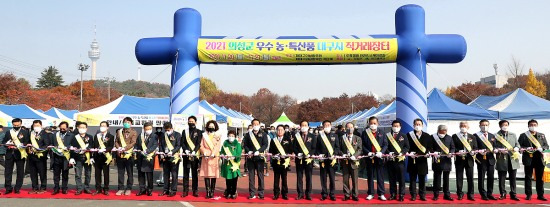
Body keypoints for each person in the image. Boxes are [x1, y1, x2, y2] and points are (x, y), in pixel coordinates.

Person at [518, 119, 549, 201]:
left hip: (539, 159)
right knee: (528, 177)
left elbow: (546, 146)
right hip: (528, 158)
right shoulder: (523, 135)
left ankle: (540, 195)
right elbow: (518, 147)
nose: (533, 126)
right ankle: (528, 194)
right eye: (531, 125)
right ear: (528, 126)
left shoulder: (541, 135)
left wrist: (542, 148)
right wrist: (525, 148)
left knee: (539, 178)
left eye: (535, 125)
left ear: (537, 125)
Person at [362, 116, 388, 201]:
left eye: (374, 123)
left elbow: (385, 144)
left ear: (378, 123)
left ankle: (381, 194)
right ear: (368, 123)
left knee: (380, 176)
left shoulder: (382, 132)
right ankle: (370, 193)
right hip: (369, 157)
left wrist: (381, 152)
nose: (373, 125)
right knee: (370, 176)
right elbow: (362, 145)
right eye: (371, 123)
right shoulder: (365, 133)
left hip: (379, 157)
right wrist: (368, 152)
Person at [406, 118, 432, 201]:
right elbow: (406, 147)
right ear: (413, 125)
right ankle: (413, 195)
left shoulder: (427, 136)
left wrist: (428, 153)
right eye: (416, 124)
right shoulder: (409, 135)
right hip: (412, 160)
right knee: (412, 179)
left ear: (422, 125)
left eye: (419, 124)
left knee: (422, 179)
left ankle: (422, 195)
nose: (417, 126)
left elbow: (430, 148)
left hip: (423, 161)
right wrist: (410, 153)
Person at [242, 119, 269, 199]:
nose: (255, 125)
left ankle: (261, 193)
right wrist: (248, 151)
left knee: (260, 176)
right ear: (252, 125)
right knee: (251, 176)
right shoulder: (248, 135)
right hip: (250, 158)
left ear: (259, 124)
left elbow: (265, 144)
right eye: (254, 124)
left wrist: (259, 151)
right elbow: (245, 144)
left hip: (259, 158)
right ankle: (252, 193)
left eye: (257, 124)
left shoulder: (263, 134)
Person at [494, 120, 520, 201]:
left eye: (506, 125)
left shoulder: (513, 135)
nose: (505, 126)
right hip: (502, 158)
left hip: (512, 159)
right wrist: (498, 150)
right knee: (502, 178)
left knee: (513, 178)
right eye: (503, 125)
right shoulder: (496, 135)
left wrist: (517, 148)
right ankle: (502, 193)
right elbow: (493, 147)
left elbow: (517, 144)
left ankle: (513, 194)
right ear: (500, 126)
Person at [452, 121, 478, 201]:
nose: (463, 127)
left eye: (465, 126)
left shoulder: (472, 136)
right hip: (459, 159)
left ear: (468, 127)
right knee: (459, 177)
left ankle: (470, 194)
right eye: (462, 126)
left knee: (470, 178)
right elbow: (453, 147)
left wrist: (474, 151)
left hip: (469, 160)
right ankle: (459, 193)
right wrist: (458, 151)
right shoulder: (455, 136)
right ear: (459, 127)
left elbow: (475, 147)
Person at [2, 118, 29, 195]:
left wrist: (21, 145)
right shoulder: (8, 132)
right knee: (8, 172)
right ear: (12, 124)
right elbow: (4, 142)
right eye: (14, 125)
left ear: (20, 124)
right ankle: (8, 187)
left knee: (20, 172)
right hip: (10, 154)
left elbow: (27, 142)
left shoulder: (25, 132)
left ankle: (17, 188)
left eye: (17, 125)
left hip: (20, 154)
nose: (16, 126)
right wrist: (8, 145)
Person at [316, 120, 340, 201]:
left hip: (332, 160)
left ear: (331, 125)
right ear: (323, 126)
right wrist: (319, 154)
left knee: (332, 178)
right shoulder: (320, 136)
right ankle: (324, 194)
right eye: (325, 125)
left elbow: (337, 147)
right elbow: (317, 148)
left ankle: (332, 194)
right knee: (323, 178)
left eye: (328, 125)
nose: (327, 126)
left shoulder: (335, 135)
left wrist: (334, 154)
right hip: (323, 160)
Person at [293, 120, 317, 200]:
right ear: (300, 127)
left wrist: (310, 154)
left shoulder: (312, 136)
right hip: (299, 159)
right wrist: (297, 153)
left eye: (305, 125)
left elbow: (314, 148)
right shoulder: (297, 136)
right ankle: (300, 193)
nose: (304, 127)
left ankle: (308, 194)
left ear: (308, 126)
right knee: (299, 177)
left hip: (308, 159)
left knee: (309, 177)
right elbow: (294, 147)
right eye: (302, 125)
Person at [474, 119, 497, 200]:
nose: (484, 126)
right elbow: (474, 147)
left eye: (486, 125)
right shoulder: (475, 135)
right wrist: (479, 151)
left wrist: (495, 149)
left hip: (491, 159)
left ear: (489, 125)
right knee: (481, 177)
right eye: (483, 125)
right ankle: (483, 193)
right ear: (479, 125)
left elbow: (495, 146)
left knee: (491, 177)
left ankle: (490, 193)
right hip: (481, 159)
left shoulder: (492, 135)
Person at [386, 120, 409, 202]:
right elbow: (385, 146)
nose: (396, 127)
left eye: (397, 126)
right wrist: (389, 152)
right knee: (392, 179)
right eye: (394, 126)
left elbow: (407, 147)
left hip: (400, 161)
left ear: (400, 127)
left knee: (401, 179)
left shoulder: (404, 136)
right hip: (390, 160)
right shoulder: (387, 136)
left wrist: (402, 153)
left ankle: (401, 195)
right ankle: (393, 194)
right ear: (392, 126)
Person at [431, 125, 455, 201]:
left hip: (446, 161)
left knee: (446, 179)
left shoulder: (449, 137)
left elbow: (453, 147)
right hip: (437, 160)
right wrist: (433, 152)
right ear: (438, 131)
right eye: (441, 132)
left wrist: (451, 153)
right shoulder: (433, 137)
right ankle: (436, 194)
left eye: (445, 132)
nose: (443, 134)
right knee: (437, 178)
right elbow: (430, 147)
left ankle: (446, 194)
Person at [114, 117, 137, 196]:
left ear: (131, 123)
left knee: (129, 173)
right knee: (121, 172)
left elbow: (133, 142)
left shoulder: (133, 132)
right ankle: (120, 188)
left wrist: (125, 148)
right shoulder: (119, 131)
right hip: (120, 154)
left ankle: (128, 188)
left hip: (129, 155)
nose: (126, 123)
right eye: (125, 122)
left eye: (128, 122)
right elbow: (116, 141)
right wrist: (118, 147)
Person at [70, 121, 94, 195]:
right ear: (78, 128)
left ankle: (87, 188)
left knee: (88, 174)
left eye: (83, 127)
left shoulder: (90, 137)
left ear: (86, 129)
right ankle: (79, 188)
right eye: (80, 127)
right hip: (78, 158)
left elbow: (92, 147)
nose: (82, 129)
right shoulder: (74, 137)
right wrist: (72, 158)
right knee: (78, 174)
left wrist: (92, 157)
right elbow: (72, 148)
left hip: (87, 158)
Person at [269, 124, 292, 200]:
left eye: (281, 130)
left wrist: (286, 155)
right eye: (278, 130)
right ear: (276, 131)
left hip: (284, 162)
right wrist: (274, 155)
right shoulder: (273, 140)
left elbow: (290, 150)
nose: (280, 131)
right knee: (276, 179)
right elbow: (270, 151)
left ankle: (284, 194)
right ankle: (276, 193)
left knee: (284, 179)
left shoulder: (288, 139)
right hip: (276, 162)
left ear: (284, 131)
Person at [27, 120, 51, 194]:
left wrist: (39, 149)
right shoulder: (31, 133)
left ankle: (43, 187)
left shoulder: (45, 134)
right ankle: (34, 187)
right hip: (31, 156)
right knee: (33, 173)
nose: (36, 127)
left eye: (37, 125)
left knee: (42, 172)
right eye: (34, 126)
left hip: (41, 156)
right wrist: (29, 149)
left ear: (41, 125)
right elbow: (28, 143)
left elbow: (47, 145)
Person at [200, 120, 222, 199]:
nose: (211, 127)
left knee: (213, 175)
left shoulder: (218, 135)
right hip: (206, 157)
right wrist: (204, 152)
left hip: (214, 156)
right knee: (206, 175)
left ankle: (212, 191)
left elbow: (218, 146)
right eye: (210, 126)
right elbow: (201, 145)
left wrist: (214, 153)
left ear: (215, 127)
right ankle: (208, 191)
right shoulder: (204, 135)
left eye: (213, 126)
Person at [181, 116, 202, 197]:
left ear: (195, 122)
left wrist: (194, 151)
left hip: (195, 156)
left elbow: (199, 143)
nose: (191, 122)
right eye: (189, 121)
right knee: (185, 174)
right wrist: (186, 150)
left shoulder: (199, 132)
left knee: (194, 174)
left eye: (192, 121)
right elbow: (182, 142)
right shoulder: (184, 131)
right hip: (186, 155)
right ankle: (185, 190)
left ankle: (195, 190)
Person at [158, 122, 182, 197]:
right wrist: (161, 153)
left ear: (172, 128)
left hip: (174, 157)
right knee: (166, 174)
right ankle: (166, 190)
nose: (167, 131)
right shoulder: (163, 135)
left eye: (168, 130)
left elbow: (178, 145)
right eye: (166, 130)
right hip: (165, 157)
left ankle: (173, 190)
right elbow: (161, 145)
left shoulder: (177, 135)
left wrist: (172, 152)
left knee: (174, 174)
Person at [340, 122, 362, 201]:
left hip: (354, 161)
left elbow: (360, 149)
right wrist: (342, 154)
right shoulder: (342, 138)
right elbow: (339, 148)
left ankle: (355, 195)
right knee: (345, 179)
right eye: (348, 127)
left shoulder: (357, 138)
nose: (350, 129)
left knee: (354, 179)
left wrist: (355, 156)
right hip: (345, 161)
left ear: (354, 128)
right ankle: (346, 194)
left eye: (351, 127)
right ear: (345, 129)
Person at [136, 122, 158, 196]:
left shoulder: (154, 136)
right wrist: (136, 149)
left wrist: (147, 151)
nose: (148, 130)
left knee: (149, 175)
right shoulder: (140, 136)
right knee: (141, 175)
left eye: (150, 129)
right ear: (144, 129)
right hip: (140, 158)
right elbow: (137, 145)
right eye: (147, 129)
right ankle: (142, 189)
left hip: (149, 158)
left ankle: (149, 189)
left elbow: (155, 145)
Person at [92, 121, 114, 196]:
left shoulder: (111, 136)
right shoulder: (96, 136)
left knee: (106, 174)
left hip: (106, 157)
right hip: (97, 157)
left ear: (107, 127)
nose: (102, 127)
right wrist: (92, 156)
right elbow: (94, 146)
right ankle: (98, 189)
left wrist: (105, 150)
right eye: (101, 125)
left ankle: (106, 189)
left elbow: (111, 146)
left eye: (104, 126)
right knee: (97, 174)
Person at [51, 121, 73, 195]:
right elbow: (51, 144)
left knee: (65, 174)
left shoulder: (71, 135)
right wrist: (53, 149)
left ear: (67, 128)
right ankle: (56, 188)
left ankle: (64, 188)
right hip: (56, 157)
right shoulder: (54, 135)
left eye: (64, 128)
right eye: (61, 128)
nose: (62, 129)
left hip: (65, 157)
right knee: (56, 174)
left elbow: (73, 146)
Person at [221, 130, 241, 199]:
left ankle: (233, 192)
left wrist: (234, 157)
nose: (231, 137)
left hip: (234, 164)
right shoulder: (225, 143)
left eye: (232, 136)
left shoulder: (237, 144)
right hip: (227, 164)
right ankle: (228, 192)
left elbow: (239, 153)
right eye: (230, 136)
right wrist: (223, 156)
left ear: (235, 137)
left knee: (234, 179)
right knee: (228, 179)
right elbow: (222, 152)